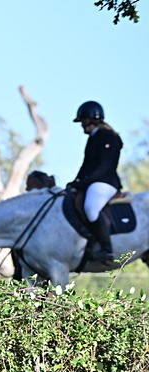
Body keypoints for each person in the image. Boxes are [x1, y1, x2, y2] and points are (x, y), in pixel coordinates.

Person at [69, 101, 123, 267]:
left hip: (106, 182)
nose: (82, 125)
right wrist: (75, 182)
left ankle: (107, 250)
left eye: (83, 120)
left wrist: (84, 183)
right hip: (93, 181)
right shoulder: (93, 138)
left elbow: (105, 167)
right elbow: (85, 165)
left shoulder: (109, 137)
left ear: (91, 119)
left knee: (91, 208)